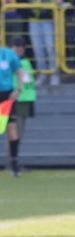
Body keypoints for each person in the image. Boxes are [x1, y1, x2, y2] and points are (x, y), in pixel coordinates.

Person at [0, 40, 30, 176]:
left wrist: (18, 89)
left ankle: (14, 162)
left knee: (11, 128)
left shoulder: (9, 54)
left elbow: (19, 72)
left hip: (6, 95)